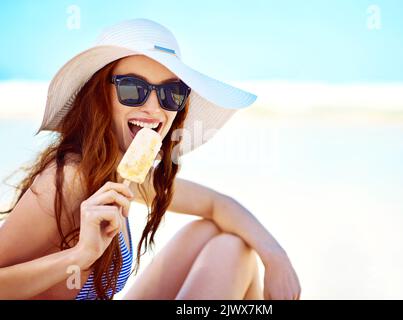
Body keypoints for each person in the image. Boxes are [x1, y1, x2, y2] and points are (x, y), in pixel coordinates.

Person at [0, 19, 300, 300]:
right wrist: (80, 255)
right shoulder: (67, 179)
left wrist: (276, 258)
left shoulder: (124, 175)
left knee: (229, 240)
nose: (154, 108)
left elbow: (217, 205)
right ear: (99, 97)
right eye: (133, 89)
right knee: (234, 253)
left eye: (172, 93)